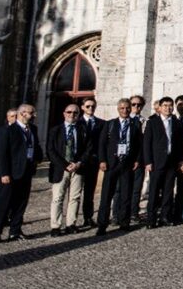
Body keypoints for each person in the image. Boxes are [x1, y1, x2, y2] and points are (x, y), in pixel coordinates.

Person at [0, 104, 44, 243]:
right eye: (32, 113)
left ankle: (15, 231)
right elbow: (1, 154)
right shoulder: (8, 131)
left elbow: (35, 145)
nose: (33, 116)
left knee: (21, 202)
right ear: (23, 113)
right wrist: (4, 173)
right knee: (3, 203)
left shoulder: (33, 129)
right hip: (10, 173)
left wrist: (38, 158)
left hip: (26, 171)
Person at [96, 98, 142, 234]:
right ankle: (102, 224)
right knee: (106, 195)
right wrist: (102, 160)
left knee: (126, 194)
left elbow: (139, 144)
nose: (125, 110)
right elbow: (102, 144)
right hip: (111, 164)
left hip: (127, 163)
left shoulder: (135, 125)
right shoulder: (110, 124)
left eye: (127, 108)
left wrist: (137, 160)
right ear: (118, 109)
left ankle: (124, 222)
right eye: (122, 108)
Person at [143, 97, 183, 228]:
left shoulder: (176, 122)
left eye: (170, 106)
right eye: (165, 105)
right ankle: (151, 219)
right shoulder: (152, 122)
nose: (168, 108)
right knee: (154, 191)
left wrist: (180, 160)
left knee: (168, 191)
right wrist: (148, 161)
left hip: (171, 162)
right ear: (160, 108)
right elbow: (147, 143)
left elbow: (179, 143)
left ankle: (165, 217)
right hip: (156, 162)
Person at [47, 104, 87, 236]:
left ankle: (71, 224)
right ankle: (55, 226)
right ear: (64, 114)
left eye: (75, 113)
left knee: (75, 197)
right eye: (69, 112)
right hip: (60, 168)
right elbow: (50, 151)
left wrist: (79, 163)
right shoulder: (55, 130)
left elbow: (88, 148)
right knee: (58, 198)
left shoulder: (83, 129)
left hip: (78, 168)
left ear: (79, 115)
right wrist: (65, 165)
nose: (72, 115)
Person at [78, 97, 103, 229]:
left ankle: (88, 217)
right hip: (78, 162)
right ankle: (71, 220)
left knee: (89, 192)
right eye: (88, 106)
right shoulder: (77, 122)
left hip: (93, 162)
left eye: (93, 106)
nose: (90, 108)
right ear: (82, 107)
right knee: (74, 193)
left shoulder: (101, 123)